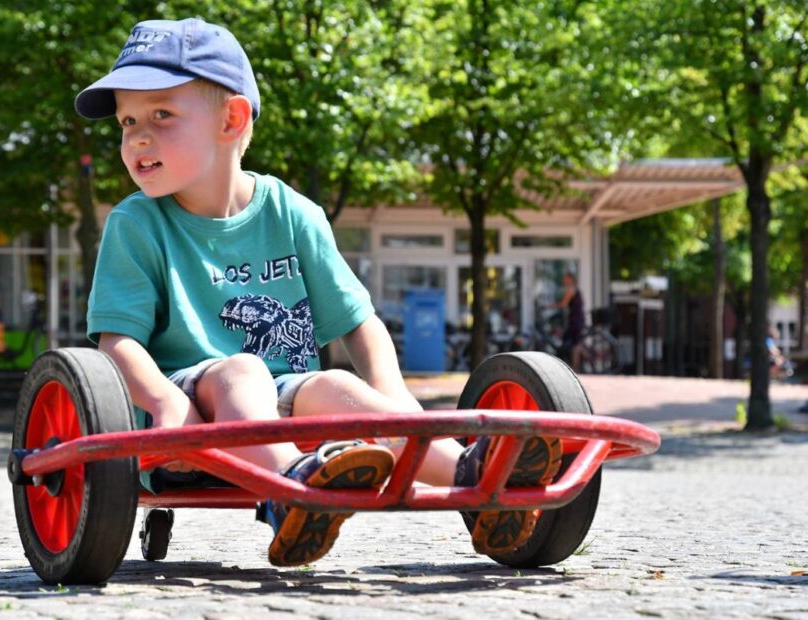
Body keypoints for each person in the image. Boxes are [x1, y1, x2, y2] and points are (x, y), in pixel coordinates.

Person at [76, 17, 561, 567]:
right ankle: (291, 491)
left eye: (161, 114)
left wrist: (394, 398)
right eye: (127, 121)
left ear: (231, 119)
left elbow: (358, 321)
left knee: (334, 384)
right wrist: (167, 403)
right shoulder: (137, 223)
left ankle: (476, 481)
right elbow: (116, 342)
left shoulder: (292, 213)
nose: (137, 137)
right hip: (184, 415)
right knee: (244, 371)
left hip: (284, 405)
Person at [552, 272, 585, 368]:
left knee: (575, 344)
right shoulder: (576, 289)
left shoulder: (570, 289)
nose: (563, 281)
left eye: (565, 279)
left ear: (570, 279)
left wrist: (549, 305)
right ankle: (586, 361)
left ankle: (575, 367)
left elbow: (563, 304)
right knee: (576, 342)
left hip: (575, 321)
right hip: (579, 319)